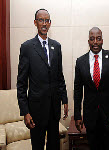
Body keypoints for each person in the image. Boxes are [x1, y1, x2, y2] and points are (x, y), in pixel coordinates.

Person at [17, 8, 68, 150]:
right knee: (38, 147)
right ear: (35, 23)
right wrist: (25, 112)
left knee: (54, 146)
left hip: (54, 109)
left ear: (50, 23)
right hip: (36, 111)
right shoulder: (27, 47)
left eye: (47, 21)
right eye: (41, 20)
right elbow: (21, 84)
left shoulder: (56, 46)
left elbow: (60, 76)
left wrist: (65, 100)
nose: (44, 24)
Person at [74, 27, 109, 150]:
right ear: (88, 41)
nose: (95, 42)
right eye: (92, 39)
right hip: (91, 117)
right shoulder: (80, 61)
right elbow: (77, 91)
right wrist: (77, 115)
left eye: (98, 39)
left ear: (102, 40)